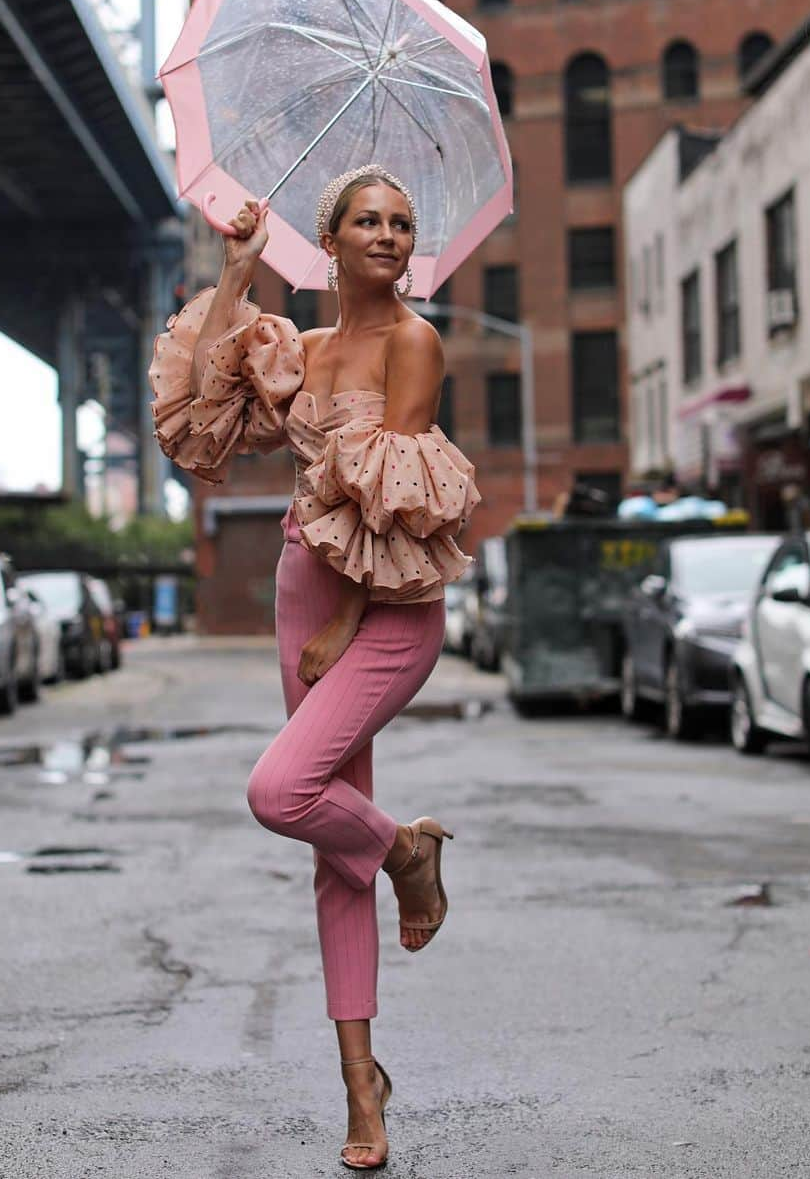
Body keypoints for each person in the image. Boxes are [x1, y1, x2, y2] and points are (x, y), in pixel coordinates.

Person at [149, 165, 480, 1171]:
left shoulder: (414, 342)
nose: (387, 234)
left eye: (401, 223)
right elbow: (200, 413)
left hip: (385, 607)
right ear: (329, 242)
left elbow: (398, 502)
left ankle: (407, 852)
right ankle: (361, 1090)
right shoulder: (305, 347)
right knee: (331, 855)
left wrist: (347, 619)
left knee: (282, 788)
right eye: (368, 220)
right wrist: (238, 268)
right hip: (304, 585)